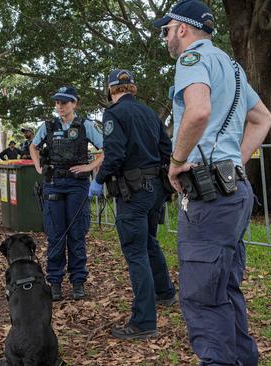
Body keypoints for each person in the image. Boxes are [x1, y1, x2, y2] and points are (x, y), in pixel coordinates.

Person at [154, 1, 271, 364]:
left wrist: (176, 163)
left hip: (209, 197)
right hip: (233, 190)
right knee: (225, 288)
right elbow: (262, 118)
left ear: (184, 29)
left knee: (202, 297)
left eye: (168, 29)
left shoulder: (192, 60)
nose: (167, 36)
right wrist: (235, 159)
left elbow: (199, 111)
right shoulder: (232, 66)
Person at [89, 69, 177, 340]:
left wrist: (99, 179)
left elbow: (114, 154)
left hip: (133, 192)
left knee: (135, 251)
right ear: (131, 88)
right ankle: (164, 293)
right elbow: (166, 149)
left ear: (111, 90)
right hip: (155, 190)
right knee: (149, 242)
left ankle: (144, 321)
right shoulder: (149, 113)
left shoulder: (114, 114)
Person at [29, 86, 104, 301]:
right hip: (53, 182)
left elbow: (105, 149)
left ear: (74, 103)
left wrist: (90, 167)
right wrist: (38, 167)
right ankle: (55, 282)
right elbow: (34, 147)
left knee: (76, 233)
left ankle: (78, 281)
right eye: (57, 102)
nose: (60, 106)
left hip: (77, 185)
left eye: (65, 102)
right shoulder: (48, 126)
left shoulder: (85, 125)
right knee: (55, 235)